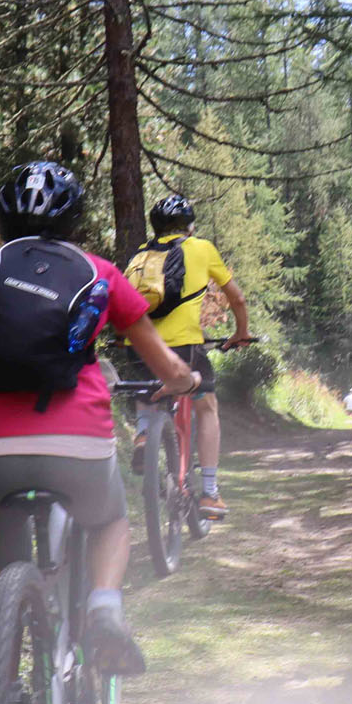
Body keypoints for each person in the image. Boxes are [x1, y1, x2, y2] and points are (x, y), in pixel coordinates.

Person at [0, 162, 200, 675]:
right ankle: (104, 610)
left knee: (6, 554)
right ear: (75, 220)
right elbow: (166, 366)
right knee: (110, 520)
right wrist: (185, 381)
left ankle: (4, 676)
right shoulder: (99, 273)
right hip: (78, 444)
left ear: (1, 218)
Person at [126, 193, 250, 518]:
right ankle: (209, 493)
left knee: (147, 382)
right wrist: (241, 333)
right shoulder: (202, 248)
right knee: (207, 406)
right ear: (189, 227)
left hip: (137, 346)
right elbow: (237, 299)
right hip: (183, 349)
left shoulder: (141, 254)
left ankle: (143, 433)